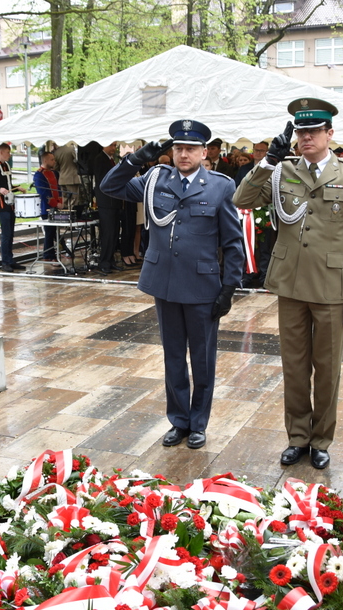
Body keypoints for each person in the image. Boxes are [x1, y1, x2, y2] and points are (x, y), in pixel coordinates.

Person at [233, 98, 343, 470]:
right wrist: (266, 163)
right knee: (294, 366)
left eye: (313, 131)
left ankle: (321, 438)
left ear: (329, 134)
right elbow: (241, 198)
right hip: (291, 284)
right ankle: (297, 436)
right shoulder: (282, 170)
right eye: (300, 131)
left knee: (327, 368)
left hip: (331, 286)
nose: (306, 137)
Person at [102, 120, 244, 450]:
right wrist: (136, 159)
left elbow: (234, 243)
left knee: (203, 358)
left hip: (202, 286)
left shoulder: (220, 186)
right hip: (165, 283)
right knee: (173, 357)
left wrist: (229, 288)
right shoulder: (155, 179)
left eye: (191, 148)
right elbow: (110, 187)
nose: (184, 154)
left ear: (204, 152)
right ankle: (178, 420)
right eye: (178, 147)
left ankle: (198, 422)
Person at [0, 142, 26, 272]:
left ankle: (10, 260)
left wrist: (16, 188)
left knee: (11, 234)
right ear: (1, 152)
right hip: (1, 205)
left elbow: (7, 184)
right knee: (6, 234)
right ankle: (5, 262)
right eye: (8, 152)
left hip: (10, 204)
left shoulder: (6, 165)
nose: (10, 155)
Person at [91, 142, 128, 274]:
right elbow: (102, 181)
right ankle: (104, 262)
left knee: (113, 233)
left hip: (114, 201)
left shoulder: (111, 160)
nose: (114, 148)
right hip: (107, 202)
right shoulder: (100, 159)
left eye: (115, 146)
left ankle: (111, 260)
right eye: (112, 145)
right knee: (107, 233)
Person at [33, 149, 63, 260]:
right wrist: (54, 203)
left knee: (53, 231)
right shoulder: (39, 175)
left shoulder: (55, 173)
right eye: (52, 159)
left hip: (56, 206)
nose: (54, 161)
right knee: (49, 232)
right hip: (46, 207)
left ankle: (53, 253)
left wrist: (60, 201)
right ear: (45, 160)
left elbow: (58, 188)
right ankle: (48, 255)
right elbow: (43, 193)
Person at [53, 143, 81, 207]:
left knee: (65, 198)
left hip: (62, 179)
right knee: (74, 198)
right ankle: (72, 214)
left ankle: (65, 214)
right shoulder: (71, 148)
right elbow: (77, 161)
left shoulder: (57, 152)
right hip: (72, 178)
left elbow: (56, 167)